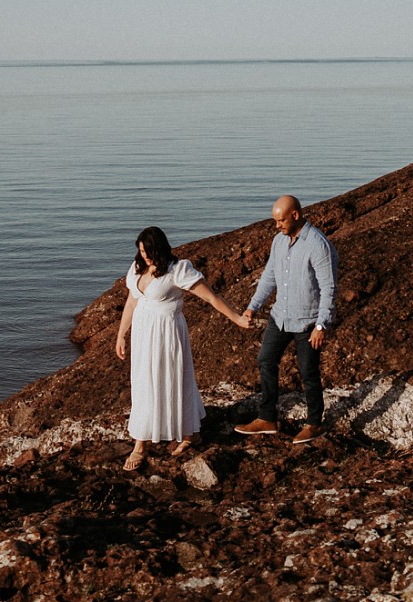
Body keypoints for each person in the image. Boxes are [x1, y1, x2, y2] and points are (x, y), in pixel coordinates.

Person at [113, 226, 252, 472]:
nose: (144, 255)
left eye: (148, 251)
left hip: (167, 335)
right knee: (143, 383)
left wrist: (237, 319)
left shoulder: (178, 269)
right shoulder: (137, 269)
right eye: (141, 251)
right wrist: (121, 334)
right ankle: (149, 441)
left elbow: (211, 298)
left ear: (160, 248)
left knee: (171, 381)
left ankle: (175, 437)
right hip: (143, 336)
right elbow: (132, 301)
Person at [235, 195, 338, 444]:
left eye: (280, 220)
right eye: (275, 220)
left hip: (308, 322)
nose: (277, 225)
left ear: (295, 215)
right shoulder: (278, 241)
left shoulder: (317, 244)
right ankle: (267, 418)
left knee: (308, 372)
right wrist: (252, 307)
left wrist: (322, 325)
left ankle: (314, 423)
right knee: (266, 360)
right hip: (280, 317)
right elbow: (269, 276)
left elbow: (329, 288)